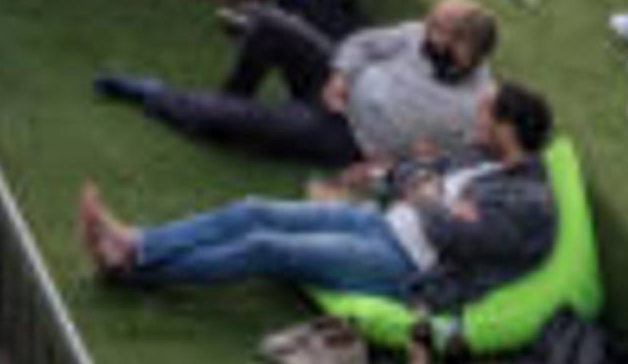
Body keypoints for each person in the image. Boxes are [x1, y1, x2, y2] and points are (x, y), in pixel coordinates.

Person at [74, 81, 559, 306]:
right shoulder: (480, 156)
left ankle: (131, 261)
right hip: (380, 223)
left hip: (405, 269)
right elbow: (409, 171)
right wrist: (423, 188)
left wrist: (427, 196)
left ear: (508, 129)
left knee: (267, 246)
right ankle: (138, 247)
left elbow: (459, 238)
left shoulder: (529, 204)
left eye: (485, 116)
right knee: (252, 210)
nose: (475, 122)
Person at [91, 0, 497, 170]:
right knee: (270, 25)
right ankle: (229, 103)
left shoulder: (477, 104)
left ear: (463, 50)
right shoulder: (416, 34)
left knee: (232, 120)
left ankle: (155, 94)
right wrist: (339, 75)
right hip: (333, 84)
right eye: (430, 24)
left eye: (438, 31)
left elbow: (459, 165)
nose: (426, 33)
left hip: (346, 137)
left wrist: (395, 167)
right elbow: (363, 43)